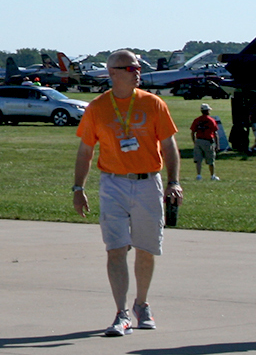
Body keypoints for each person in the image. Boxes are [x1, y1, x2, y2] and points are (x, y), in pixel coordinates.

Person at [72, 49, 182, 336]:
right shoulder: (97, 108)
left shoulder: (154, 104)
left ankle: (141, 305)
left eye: (137, 67)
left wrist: (174, 182)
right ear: (113, 73)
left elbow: (169, 146)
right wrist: (78, 187)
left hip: (148, 182)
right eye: (131, 68)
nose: (137, 72)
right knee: (116, 248)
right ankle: (120, 313)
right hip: (113, 184)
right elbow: (85, 150)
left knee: (146, 249)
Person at [189, 105, 221, 182]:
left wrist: (194, 141)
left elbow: (193, 132)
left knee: (198, 159)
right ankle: (212, 175)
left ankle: (199, 175)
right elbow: (215, 133)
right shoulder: (211, 120)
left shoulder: (197, 120)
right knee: (210, 159)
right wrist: (217, 144)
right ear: (207, 111)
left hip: (199, 140)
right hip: (208, 141)